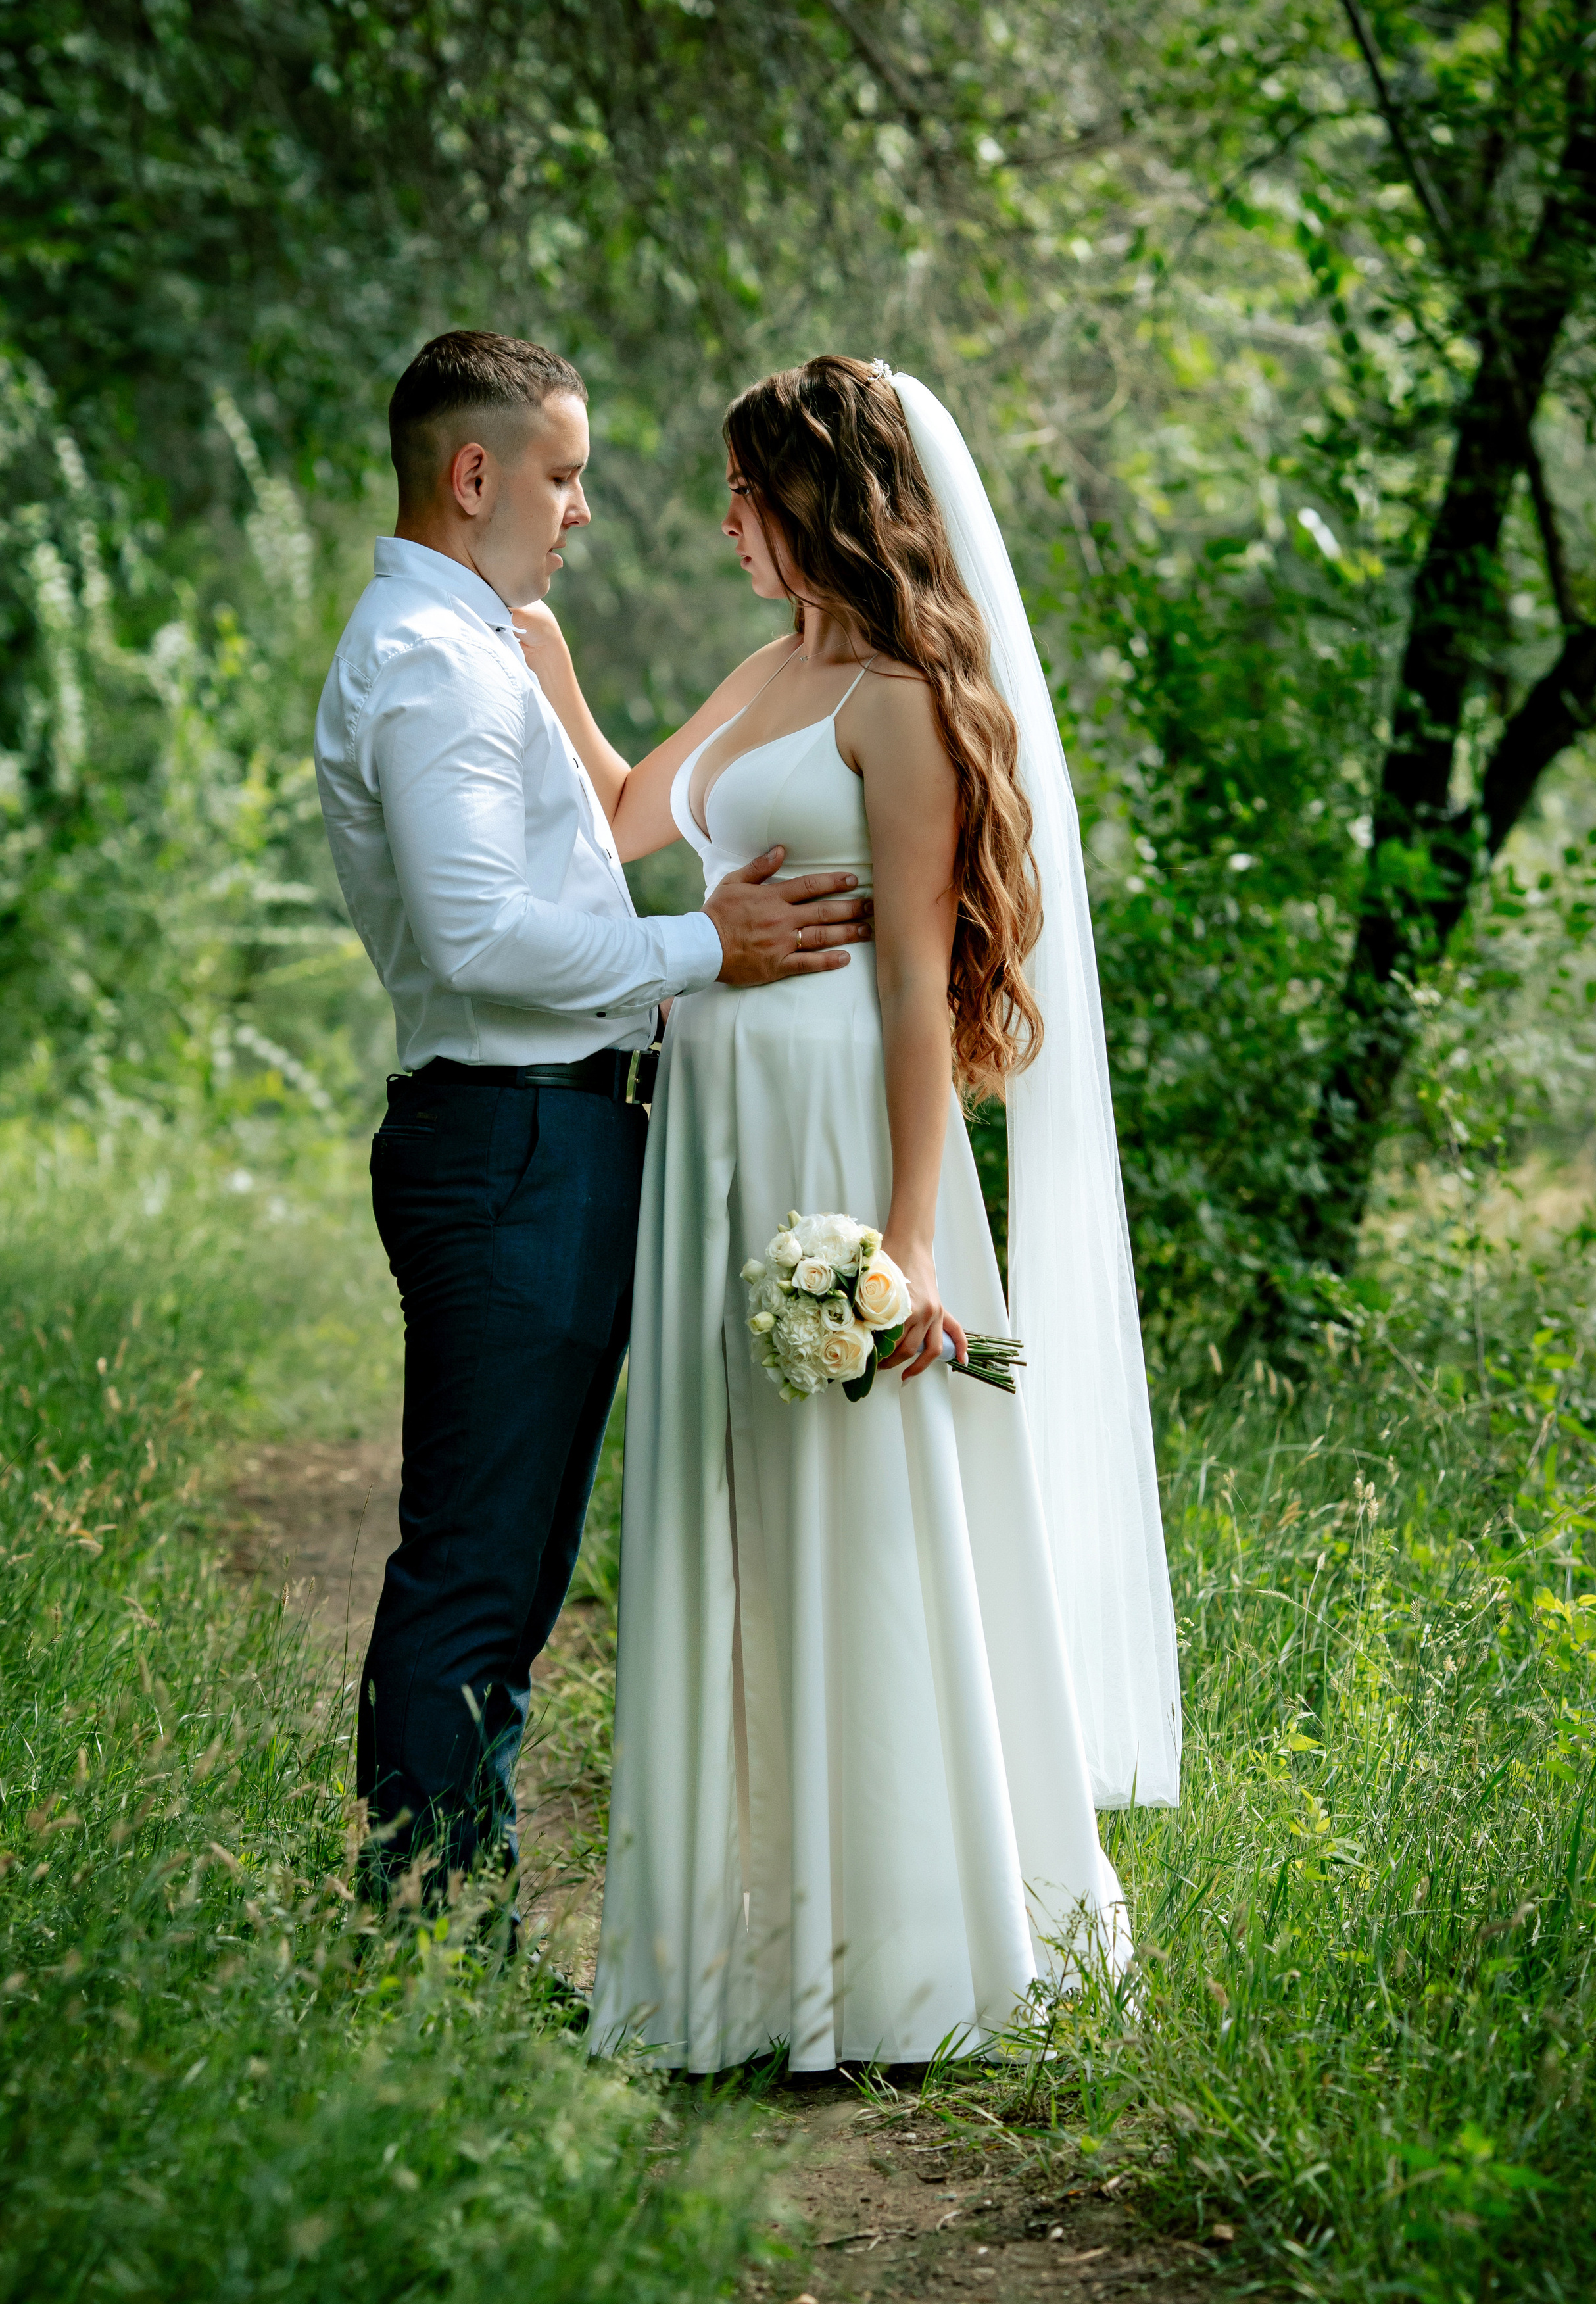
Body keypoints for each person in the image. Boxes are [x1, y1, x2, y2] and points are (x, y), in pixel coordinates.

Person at [518, 356, 1180, 2071]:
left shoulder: (895, 699)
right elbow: (623, 818)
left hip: (840, 1136)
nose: (726, 521)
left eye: (746, 491)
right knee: (732, 1512)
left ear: (814, 494)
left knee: (858, 1516)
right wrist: (552, 667)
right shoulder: (768, 670)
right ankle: (747, 1954)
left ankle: (904, 1955)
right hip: (721, 1122)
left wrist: (903, 1244)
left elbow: (913, 995)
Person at [313, 331, 873, 1910]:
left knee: (512, 1566)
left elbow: (572, 861)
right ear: (472, 474)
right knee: (478, 1568)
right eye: (561, 475)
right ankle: (424, 1940)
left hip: (547, 1136)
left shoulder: (477, 648)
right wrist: (709, 947)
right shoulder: (426, 664)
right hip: (508, 1146)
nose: (579, 510)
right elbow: (485, 937)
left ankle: (448, 1927)